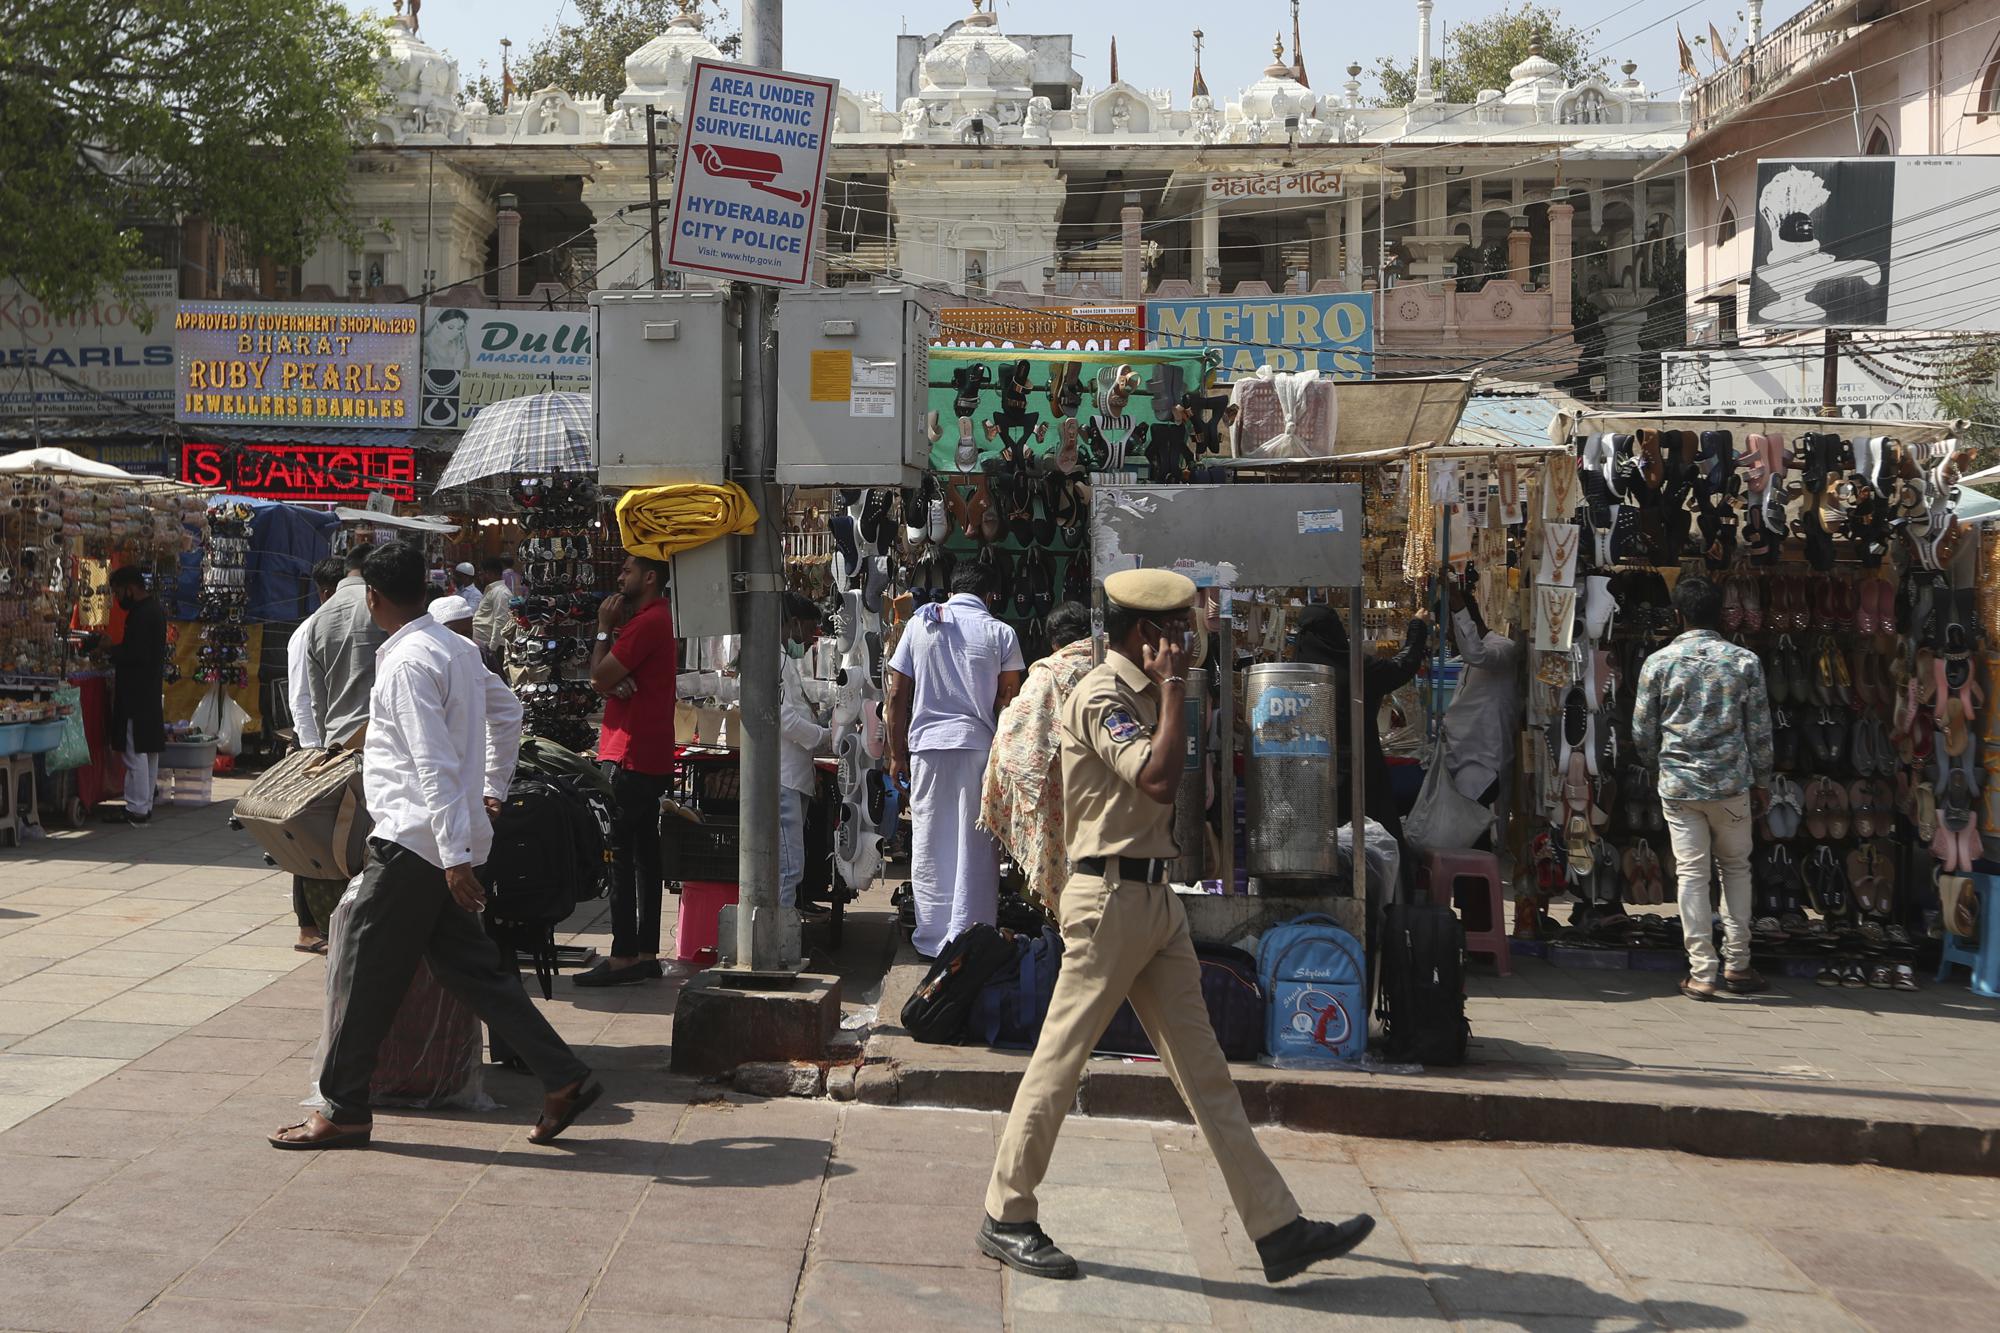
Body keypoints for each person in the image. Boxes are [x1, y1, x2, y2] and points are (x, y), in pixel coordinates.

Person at [979, 570, 1374, 1284]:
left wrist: (1183, 678)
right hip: (1107, 903)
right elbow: (1159, 779)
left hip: (1155, 904)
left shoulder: (1147, 688)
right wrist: (1173, 690)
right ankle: (1007, 1212)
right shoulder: (1103, 694)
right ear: (1145, 635)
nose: (1186, 640)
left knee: (1207, 1074)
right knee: (1060, 1063)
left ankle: (1276, 1226)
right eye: (1177, 629)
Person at [268, 542, 600, 1151]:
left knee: (363, 970)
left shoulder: (411, 661)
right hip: (437, 839)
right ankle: (565, 1075)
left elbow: (434, 763)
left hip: (414, 843)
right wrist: (489, 795)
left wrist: (454, 851)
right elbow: (508, 713)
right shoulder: (454, 648)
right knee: (469, 969)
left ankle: (343, 1109)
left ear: (372, 596)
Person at [1631, 575, 1774, 1002]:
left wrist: (1657, 763)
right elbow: (1760, 731)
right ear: (1720, 616)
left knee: (1692, 875)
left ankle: (1702, 972)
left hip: (1680, 787)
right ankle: (1739, 963)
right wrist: (1762, 780)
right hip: (1731, 784)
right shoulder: (1744, 662)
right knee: (1736, 869)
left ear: (1679, 616)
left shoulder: (1659, 662)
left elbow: (1642, 730)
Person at [885, 561, 1024, 957]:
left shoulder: (919, 624)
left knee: (930, 842)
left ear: (951, 589)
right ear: (990, 596)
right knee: (976, 848)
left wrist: (897, 756)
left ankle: (932, 938)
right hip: (979, 749)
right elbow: (1009, 700)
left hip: (928, 749)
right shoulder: (1001, 633)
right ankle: (970, 935)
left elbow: (897, 696)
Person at [575, 554, 678, 987]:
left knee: (619, 856)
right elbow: (609, 677)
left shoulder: (647, 622)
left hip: (630, 755)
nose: (619, 577)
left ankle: (623, 957)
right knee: (644, 858)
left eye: (628, 571)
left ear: (650, 578)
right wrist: (611, 678)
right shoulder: (655, 619)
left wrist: (602, 628)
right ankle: (646, 952)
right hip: (647, 752)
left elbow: (598, 674)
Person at [979, 601, 1095, 910]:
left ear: (1054, 642)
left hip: (1065, 790)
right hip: (1108, 791)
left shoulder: (1049, 673)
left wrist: (1004, 712)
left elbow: (1017, 736)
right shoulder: (1115, 665)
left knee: (1067, 868)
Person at [1292, 607, 1430, 845]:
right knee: (1369, 840)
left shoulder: (1295, 673)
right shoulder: (1355, 668)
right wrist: (1417, 627)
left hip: (1310, 775)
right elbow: (1402, 666)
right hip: (1360, 768)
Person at [284, 557, 346, 954]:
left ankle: (322, 923)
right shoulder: (310, 630)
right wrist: (313, 753)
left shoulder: (338, 624)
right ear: (326, 592)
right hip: (318, 751)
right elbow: (300, 698)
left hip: (335, 747)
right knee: (309, 841)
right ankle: (308, 926)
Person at [1439, 577, 1522, 834]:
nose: (1450, 636)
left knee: (1470, 830)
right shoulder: (1471, 660)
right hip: (1461, 756)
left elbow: (1475, 653)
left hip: (1484, 764)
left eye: (1450, 629)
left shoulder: (1503, 650)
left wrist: (1456, 604)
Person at [780, 592, 831, 913]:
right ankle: (778, 944)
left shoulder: (784, 658)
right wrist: (824, 737)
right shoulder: (775, 659)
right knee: (788, 866)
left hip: (793, 775)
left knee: (790, 864)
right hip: (784, 776)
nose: (813, 638)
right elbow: (783, 719)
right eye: (811, 629)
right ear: (794, 623)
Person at [305, 545, 384, 751]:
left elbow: (318, 700)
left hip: (337, 739)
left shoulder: (317, 619)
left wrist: (328, 743)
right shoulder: (381, 604)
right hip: (377, 739)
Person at [105, 567, 166, 826]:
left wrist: (111, 650)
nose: (118, 597)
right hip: (148, 690)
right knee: (147, 751)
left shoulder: (142, 615)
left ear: (130, 587)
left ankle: (137, 808)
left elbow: (137, 655)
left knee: (135, 752)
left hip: (137, 693)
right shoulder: (153, 610)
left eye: (118, 591)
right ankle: (144, 805)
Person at [470, 556, 515, 662]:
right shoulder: (491, 590)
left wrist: (492, 649)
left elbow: (501, 621)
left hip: (492, 648)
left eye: (482, 573)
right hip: (483, 645)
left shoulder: (501, 593)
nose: (480, 577)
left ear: (491, 573)